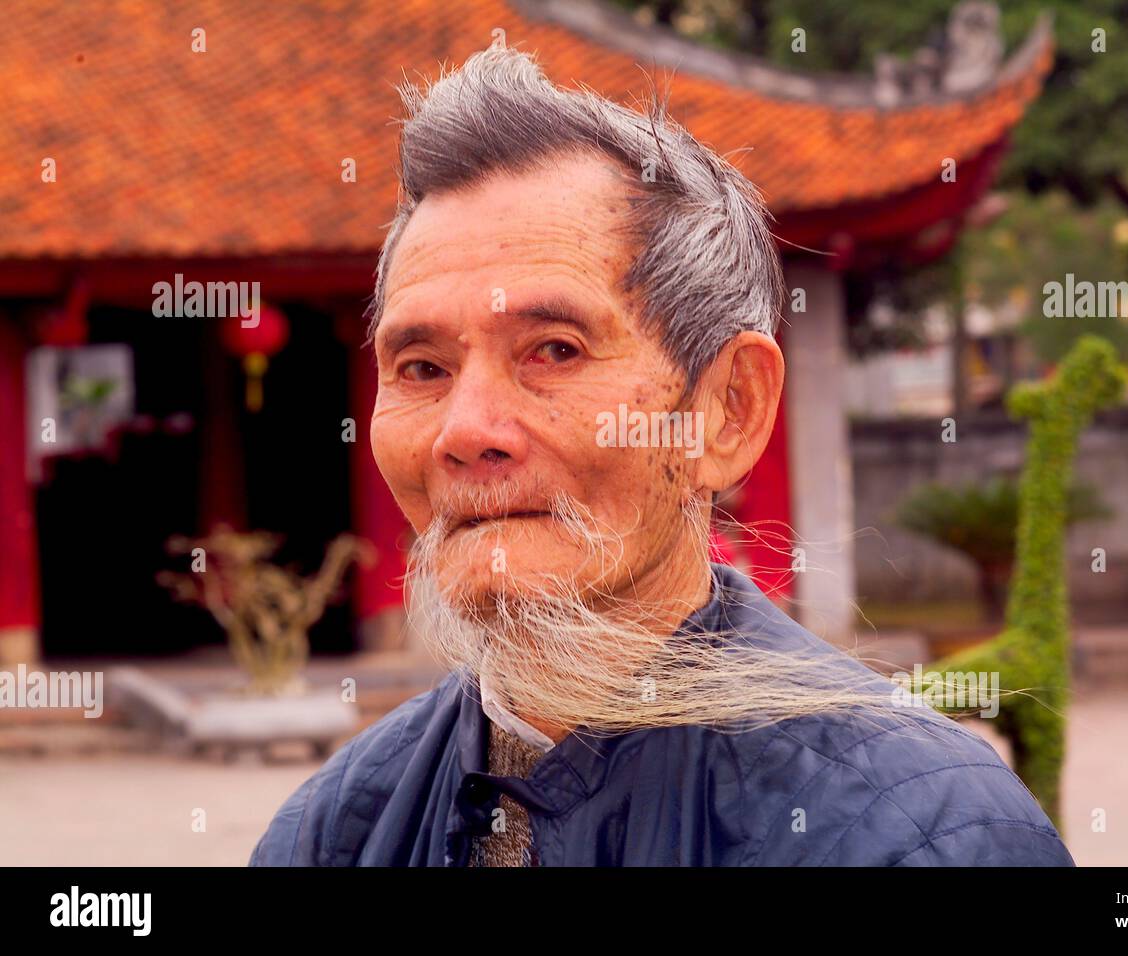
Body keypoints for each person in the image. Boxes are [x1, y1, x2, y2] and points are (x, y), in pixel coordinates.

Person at [249, 44, 1074, 867]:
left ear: (726, 410)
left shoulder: (921, 832)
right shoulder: (333, 832)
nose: (464, 432)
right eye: (423, 369)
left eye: (554, 350)